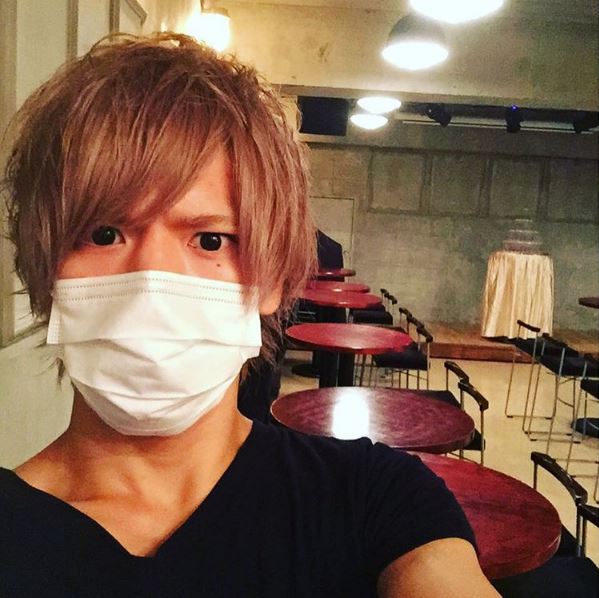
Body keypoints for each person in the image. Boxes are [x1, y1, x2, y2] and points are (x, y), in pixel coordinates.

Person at [0, 33, 498, 596]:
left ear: (272, 280)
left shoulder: (377, 498)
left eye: (211, 240)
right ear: (44, 273)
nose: (151, 283)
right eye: (104, 233)